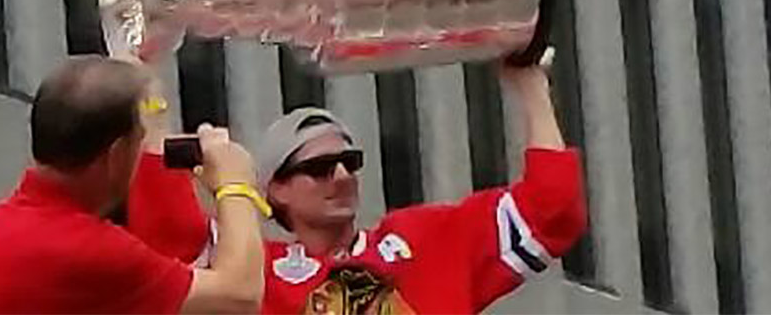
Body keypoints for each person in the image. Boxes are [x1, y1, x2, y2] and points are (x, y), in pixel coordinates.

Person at [130, 62, 588, 314]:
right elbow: (168, 233)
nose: (342, 176)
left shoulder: (427, 241)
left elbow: (552, 211)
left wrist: (529, 84)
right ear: (276, 190)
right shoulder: (253, 273)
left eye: (350, 163)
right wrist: (148, 97)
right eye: (319, 168)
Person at [0, 56, 265, 314]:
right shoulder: (80, 247)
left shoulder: (8, 221)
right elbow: (239, 295)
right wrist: (235, 184)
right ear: (117, 154)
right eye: (141, 142)